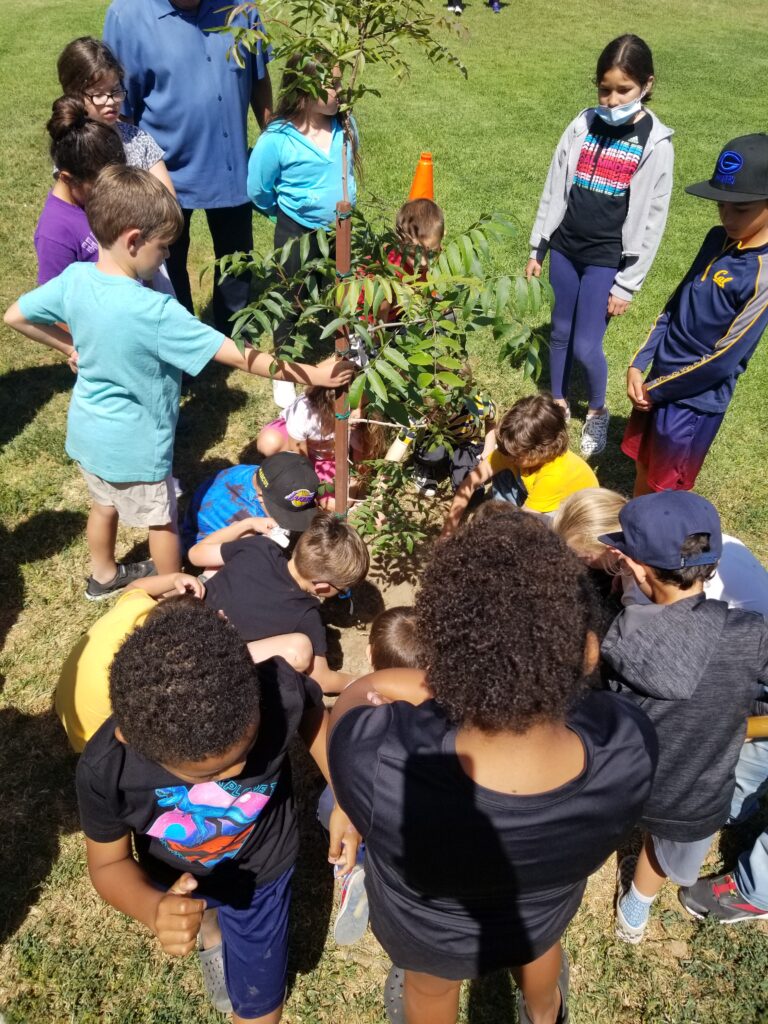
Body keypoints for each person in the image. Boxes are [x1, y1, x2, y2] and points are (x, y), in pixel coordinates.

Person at [327, 511, 657, 1024]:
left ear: (438, 666)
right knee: (540, 950)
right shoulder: (630, 744)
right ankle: (545, 1013)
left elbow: (353, 701)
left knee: (431, 989)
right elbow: (606, 715)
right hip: (541, 913)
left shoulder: (378, 764)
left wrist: (414, 686)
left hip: (428, 931)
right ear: (589, 652)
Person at [3, 166, 353, 600]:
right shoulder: (155, 312)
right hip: (138, 446)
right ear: (133, 240)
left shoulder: (76, 278)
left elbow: (15, 315)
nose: (166, 256)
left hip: (88, 433)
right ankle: (176, 596)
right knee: (162, 519)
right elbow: (241, 355)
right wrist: (316, 375)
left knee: (103, 504)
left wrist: (68, 346)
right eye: (163, 247)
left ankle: (104, 576)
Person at [75, 597, 357, 1021]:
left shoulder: (276, 688)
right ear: (135, 741)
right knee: (202, 909)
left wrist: (344, 794)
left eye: (247, 748)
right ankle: (211, 933)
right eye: (208, 774)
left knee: (259, 1002)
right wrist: (153, 909)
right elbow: (108, 864)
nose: (239, 771)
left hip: (263, 871)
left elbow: (313, 716)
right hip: (176, 875)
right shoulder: (106, 769)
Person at [598, 491, 768, 943]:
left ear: (636, 569)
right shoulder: (750, 633)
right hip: (697, 795)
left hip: (626, 781)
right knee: (664, 851)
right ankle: (636, 909)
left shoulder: (619, 640)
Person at [527, 34, 673, 458]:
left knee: (587, 345)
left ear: (646, 84)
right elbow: (555, 186)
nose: (611, 99)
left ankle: (596, 410)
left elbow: (652, 220)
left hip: (606, 259)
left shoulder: (655, 142)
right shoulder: (582, 123)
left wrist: (627, 283)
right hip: (566, 248)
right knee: (559, 331)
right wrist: (539, 247)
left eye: (622, 90)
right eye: (604, 89)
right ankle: (556, 402)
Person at [103, 0, 273, 331]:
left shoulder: (241, 9)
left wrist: (275, 139)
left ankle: (233, 331)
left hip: (230, 164)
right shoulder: (127, 16)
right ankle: (178, 335)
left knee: (237, 255)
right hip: (162, 173)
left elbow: (258, 77)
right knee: (165, 260)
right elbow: (120, 104)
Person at [623, 133, 768, 495]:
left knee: (665, 491)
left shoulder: (763, 273)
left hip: (691, 402)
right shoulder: (715, 239)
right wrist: (639, 363)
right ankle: (633, 527)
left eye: (741, 209)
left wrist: (657, 390)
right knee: (643, 465)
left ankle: (652, 547)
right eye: (721, 204)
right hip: (656, 383)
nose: (727, 216)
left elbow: (724, 359)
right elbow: (675, 303)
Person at [247, 53, 357, 403]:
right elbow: (259, 189)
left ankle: (345, 350)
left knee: (341, 292)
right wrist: (281, 214)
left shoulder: (346, 125)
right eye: (332, 85)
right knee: (290, 297)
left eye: (340, 83)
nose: (340, 91)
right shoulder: (278, 137)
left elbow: (347, 171)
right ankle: (284, 365)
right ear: (304, 89)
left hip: (340, 230)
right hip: (296, 230)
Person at [320, 606, 422, 947]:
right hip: (416, 816)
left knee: (326, 803)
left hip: (369, 807)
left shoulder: (364, 710)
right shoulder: (439, 707)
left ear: (368, 655)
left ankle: (359, 865)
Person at [188, 510, 369, 692]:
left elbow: (195, 554)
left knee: (242, 539)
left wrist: (248, 523)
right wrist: (365, 681)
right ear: (321, 587)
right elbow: (323, 681)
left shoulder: (260, 546)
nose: (343, 593)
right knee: (300, 649)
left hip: (185, 618)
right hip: (208, 659)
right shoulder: (306, 616)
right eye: (343, 590)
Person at [56, 571, 205, 753]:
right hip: (96, 743)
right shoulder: (139, 671)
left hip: (70, 706)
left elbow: (134, 586)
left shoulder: (140, 609)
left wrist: (173, 578)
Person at [440, 393, 597, 538]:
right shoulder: (513, 450)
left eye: (515, 456)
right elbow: (470, 483)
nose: (506, 456)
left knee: (538, 535)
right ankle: (503, 516)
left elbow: (522, 523)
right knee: (502, 472)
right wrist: (447, 532)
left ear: (541, 451)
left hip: (569, 512)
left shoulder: (553, 475)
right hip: (536, 492)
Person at [56, 36, 174, 192]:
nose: (111, 101)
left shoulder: (138, 139)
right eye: (98, 94)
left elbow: (169, 198)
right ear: (74, 96)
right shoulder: (72, 146)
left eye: (115, 90)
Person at [35, 96, 126, 284]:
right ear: (68, 178)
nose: (112, 190)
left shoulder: (94, 200)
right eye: (101, 185)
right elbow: (55, 306)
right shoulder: (55, 233)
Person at [182, 451, 320, 552]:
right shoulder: (237, 512)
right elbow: (203, 551)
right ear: (260, 497)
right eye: (283, 512)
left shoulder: (263, 475)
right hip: (206, 544)